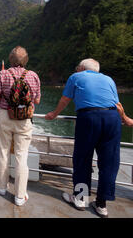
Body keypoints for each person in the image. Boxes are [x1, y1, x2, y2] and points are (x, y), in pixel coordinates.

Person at [45, 58, 121, 218]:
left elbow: (65, 99)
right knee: (109, 162)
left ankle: (80, 199)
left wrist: (54, 114)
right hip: (112, 118)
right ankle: (102, 204)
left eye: (77, 67)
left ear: (81, 68)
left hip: (89, 117)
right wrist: (126, 119)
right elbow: (118, 105)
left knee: (83, 158)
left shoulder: (76, 77)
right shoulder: (109, 79)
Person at [0, 46, 41, 206]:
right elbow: (37, 101)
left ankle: (2, 187)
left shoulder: (3, 74)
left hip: (6, 116)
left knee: (3, 152)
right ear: (26, 60)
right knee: (21, 156)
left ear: (11, 59)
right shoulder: (33, 76)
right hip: (25, 118)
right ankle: (20, 196)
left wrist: (4, 83)